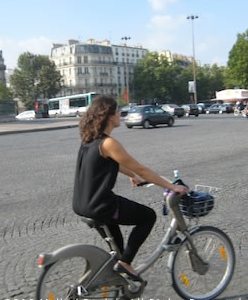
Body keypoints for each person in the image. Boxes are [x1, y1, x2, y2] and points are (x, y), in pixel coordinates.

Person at [73, 95, 189, 281]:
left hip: (81, 204)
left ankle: (118, 283)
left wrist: (131, 176)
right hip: (100, 204)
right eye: (118, 110)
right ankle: (126, 264)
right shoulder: (109, 143)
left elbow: (113, 163)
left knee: (117, 249)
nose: (121, 113)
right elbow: (142, 169)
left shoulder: (90, 139)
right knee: (147, 216)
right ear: (110, 115)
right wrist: (171, 187)